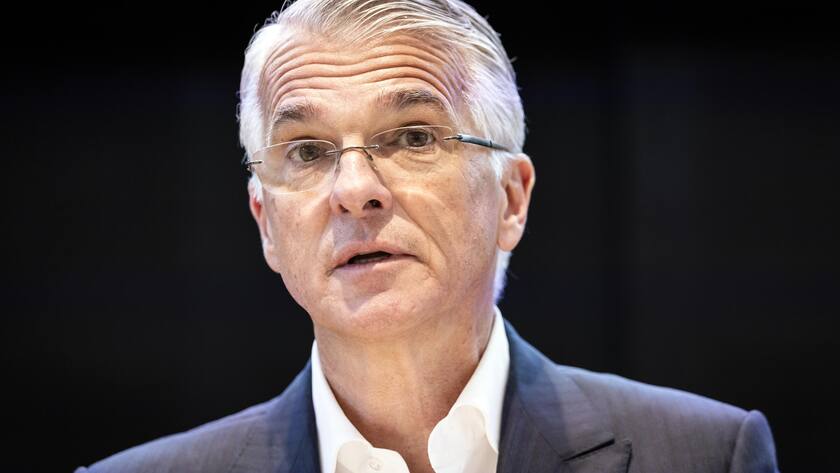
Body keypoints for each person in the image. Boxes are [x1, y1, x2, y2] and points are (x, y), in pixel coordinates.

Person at [76, 0, 779, 472]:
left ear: (511, 199)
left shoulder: (705, 455)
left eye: (412, 137)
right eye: (308, 150)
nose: (354, 188)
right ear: (265, 221)